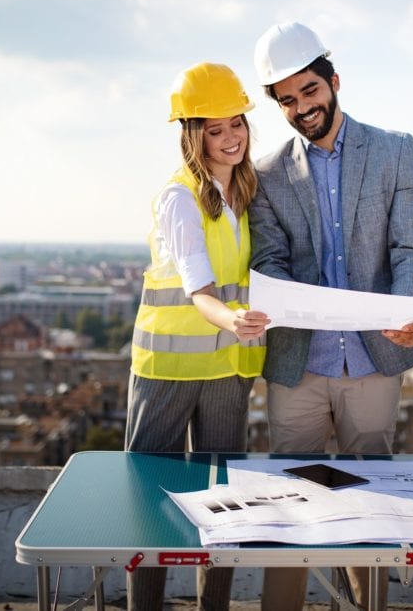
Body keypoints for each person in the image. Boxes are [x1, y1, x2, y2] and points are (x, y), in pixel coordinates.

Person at [249, 21, 413, 611]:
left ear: (333, 81)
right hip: (299, 365)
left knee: (369, 503)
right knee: (288, 506)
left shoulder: (397, 150)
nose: (302, 108)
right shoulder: (268, 172)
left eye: (309, 92)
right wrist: (278, 295)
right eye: (287, 101)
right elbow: (270, 258)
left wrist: (407, 310)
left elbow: (412, 249)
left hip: (374, 361)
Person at [125, 61, 270, 611]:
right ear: (193, 134)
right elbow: (198, 288)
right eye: (215, 129)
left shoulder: (248, 192)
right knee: (152, 503)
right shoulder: (180, 197)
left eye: (237, 124)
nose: (231, 138)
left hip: (228, 371)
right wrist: (233, 319)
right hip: (169, 371)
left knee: (224, 506)